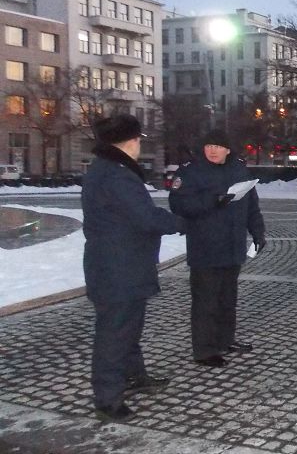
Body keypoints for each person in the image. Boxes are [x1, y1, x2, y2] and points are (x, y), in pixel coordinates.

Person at [83, 114, 184, 421]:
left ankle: (133, 376)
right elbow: (146, 218)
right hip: (119, 269)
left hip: (117, 266)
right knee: (115, 333)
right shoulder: (117, 176)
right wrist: (183, 222)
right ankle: (108, 400)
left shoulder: (105, 169)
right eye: (139, 140)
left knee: (128, 328)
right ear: (132, 141)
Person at [169, 129, 266, 367]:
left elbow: (252, 206)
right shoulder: (191, 171)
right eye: (209, 146)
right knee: (206, 301)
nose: (213, 150)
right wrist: (212, 200)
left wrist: (258, 232)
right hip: (205, 247)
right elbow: (178, 204)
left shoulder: (239, 170)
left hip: (233, 246)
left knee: (227, 299)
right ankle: (204, 350)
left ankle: (225, 340)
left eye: (218, 146)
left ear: (228, 150)